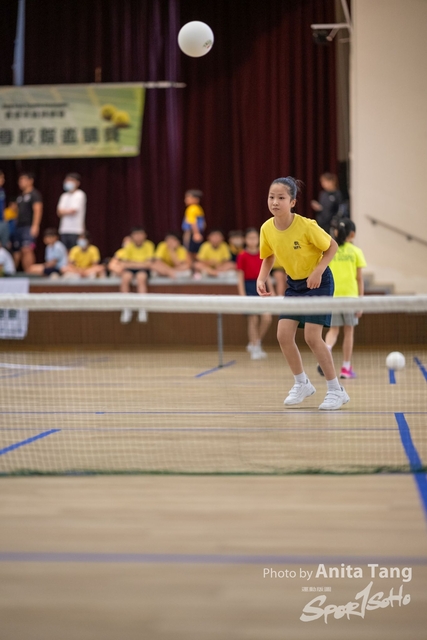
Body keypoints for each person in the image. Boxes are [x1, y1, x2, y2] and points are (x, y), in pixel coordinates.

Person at [257, 176, 349, 411]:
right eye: (271, 197)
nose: (275, 202)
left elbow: (332, 247)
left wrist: (318, 271)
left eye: (281, 198)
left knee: (312, 337)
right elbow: (268, 255)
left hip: (319, 283)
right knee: (283, 335)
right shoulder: (266, 228)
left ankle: (336, 390)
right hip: (294, 286)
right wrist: (261, 277)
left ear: (292, 202)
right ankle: (302, 384)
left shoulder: (307, 226)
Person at [318, 219, 367, 379]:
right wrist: (361, 302)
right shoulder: (356, 252)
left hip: (332, 297)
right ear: (352, 234)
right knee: (349, 331)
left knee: (333, 330)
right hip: (350, 298)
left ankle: (327, 351)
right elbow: (359, 279)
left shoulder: (330, 251)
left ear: (336, 232)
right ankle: (346, 368)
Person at [237, 228, 273, 360]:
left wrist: (272, 291)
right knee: (253, 319)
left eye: (255, 238)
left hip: (260, 286)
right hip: (249, 288)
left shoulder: (263, 254)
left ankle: (255, 342)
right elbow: (240, 278)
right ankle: (255, 347)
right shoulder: (242, 255)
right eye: (250, 238)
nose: (252, 240)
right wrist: (243, 296)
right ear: (245, 240)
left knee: (267, 318)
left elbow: (266, 274)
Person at [118, 227, 155, 323]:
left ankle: (142, 308)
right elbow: (124, 264)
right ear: (132, 236)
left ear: (145, 235)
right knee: (125, 278)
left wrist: (133, 263)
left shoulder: (149, 245)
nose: (138, 236)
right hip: (132, 269)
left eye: (140, 234)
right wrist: (140, 263)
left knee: (141, 278)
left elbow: (149, 264)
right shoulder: (129, 246)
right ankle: (126, 308)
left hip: (143, 269)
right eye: (136, 234)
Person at [13, 172, 43, 272]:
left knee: (27, 249)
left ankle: (30, 272)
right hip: (19, 226)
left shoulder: (34, 194)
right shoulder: (20, 197)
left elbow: (38, 210)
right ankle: (16, 272)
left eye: (23, 180)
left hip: (28, 226)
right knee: (19, 251)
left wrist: (35, 225)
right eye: (20, 180)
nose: (21, 182)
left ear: (30, 181)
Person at [57, 173, 87, 250]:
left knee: (75, 251)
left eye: (71, 180)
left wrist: (64, 211)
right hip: (64, 229)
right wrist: (66, 212)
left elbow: (73, 211)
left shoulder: (80, 194)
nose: (68, 182)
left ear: (78, 183)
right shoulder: (64, 196)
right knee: (65, 251)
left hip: (76, 229)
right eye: (67, 180)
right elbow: (59, 212)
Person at [182, 189, 205, 254]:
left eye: (188, 197)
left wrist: (196, 233)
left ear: (196, 199)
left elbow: (193, 222)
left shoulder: (191, 209)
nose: (186, 199)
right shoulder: (198, 208)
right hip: (195, 231)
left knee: (189, 251)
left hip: (191, 232)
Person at [0, 171, 10, 250]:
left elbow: (3, 205)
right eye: (1, 178)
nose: (3, 180)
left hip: (2, 221)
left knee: (5, 246)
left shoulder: (2, 191)